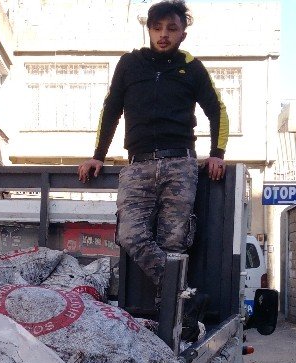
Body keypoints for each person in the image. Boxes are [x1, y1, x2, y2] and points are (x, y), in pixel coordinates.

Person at [78, 0, 228, 302]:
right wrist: (98, 155)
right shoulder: (130, 64)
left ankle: (171, 310)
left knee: (173, 241)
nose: (163, 34)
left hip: (180, 164)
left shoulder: (192, 68)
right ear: (148, 30)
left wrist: (217, 153)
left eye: (172, 29)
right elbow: (111, 110)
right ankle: (182, 292)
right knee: (130, 235)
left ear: (183, 33)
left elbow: (218, 111)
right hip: (138, 165)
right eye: (157, 28)